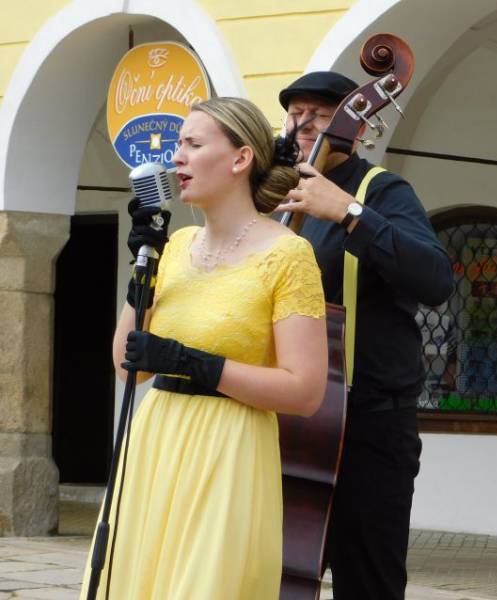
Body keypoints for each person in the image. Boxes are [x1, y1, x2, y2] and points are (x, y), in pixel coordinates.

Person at [79, 97, 328, 599]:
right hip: (154, 441)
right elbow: (128, 367)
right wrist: (142, 267)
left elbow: (305, 391)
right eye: (177, 145)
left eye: (193, 144)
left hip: (229, 446)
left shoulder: (288, 255)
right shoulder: (173, 246)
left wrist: (197, 364)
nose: (177, 158)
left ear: (240, 159)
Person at [274, 71, 455, 599]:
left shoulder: (382, 191)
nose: (303, 124)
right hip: (284, 419)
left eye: (320, 114)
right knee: (279, 577)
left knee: (368, 583)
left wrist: (350, 213)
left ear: (357, 125)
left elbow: (436, 279)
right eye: (295, 112)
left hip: (369, 424)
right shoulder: (274, 193)